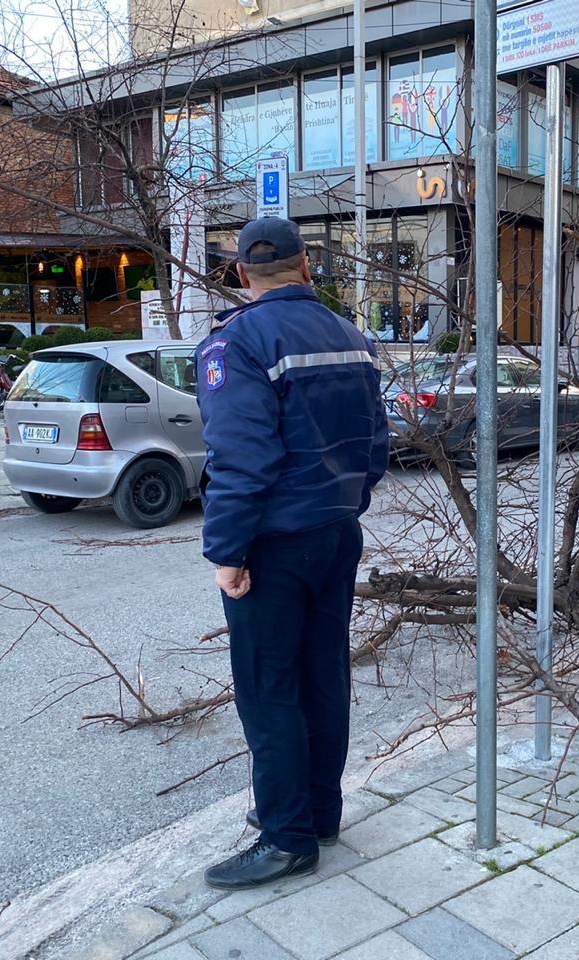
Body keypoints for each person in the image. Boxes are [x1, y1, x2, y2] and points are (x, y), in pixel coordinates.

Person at [195, 218, 388, 890]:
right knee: (324, 677)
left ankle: (285, 838)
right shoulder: (354, 340)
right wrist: (344, 508)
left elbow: (240, 459)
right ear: (308, 268)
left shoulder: (238, 342)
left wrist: (228, 551)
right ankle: (318, 814)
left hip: (273, 548)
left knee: (269, 690)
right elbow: (376, 449)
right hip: (336, 536)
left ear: (243, 276)